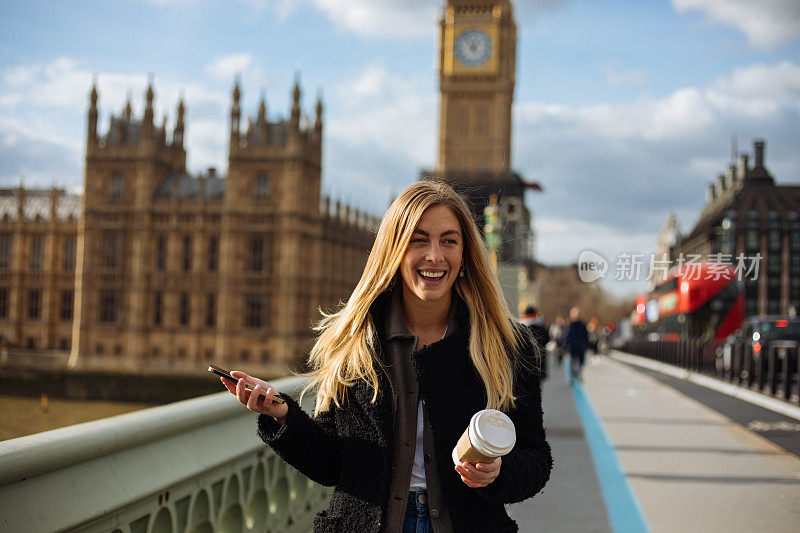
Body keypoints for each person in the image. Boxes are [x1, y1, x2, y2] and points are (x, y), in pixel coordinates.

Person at [221, 181, 552, 532]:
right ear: (394, 249)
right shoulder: (357, 341)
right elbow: (332, 466)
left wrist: (499, 473)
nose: (435, 256)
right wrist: (283, 416)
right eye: (418, 239)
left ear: (465, 255)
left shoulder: (506, 347)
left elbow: (535, 460)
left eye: (449, 241)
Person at [519, 306, 548, 381]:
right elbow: (546, 339)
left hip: (525, 364)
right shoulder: (541, 327)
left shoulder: (520, 328)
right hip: (539, 362)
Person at [563, 306, 589, 384]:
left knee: (579, 362)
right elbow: (566, 337)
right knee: (571, 363)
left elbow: (586, 336)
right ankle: (572, 377)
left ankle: (576, 373)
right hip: (574, 347)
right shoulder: (570, 325)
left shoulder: (580, 325)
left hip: (578, 347)